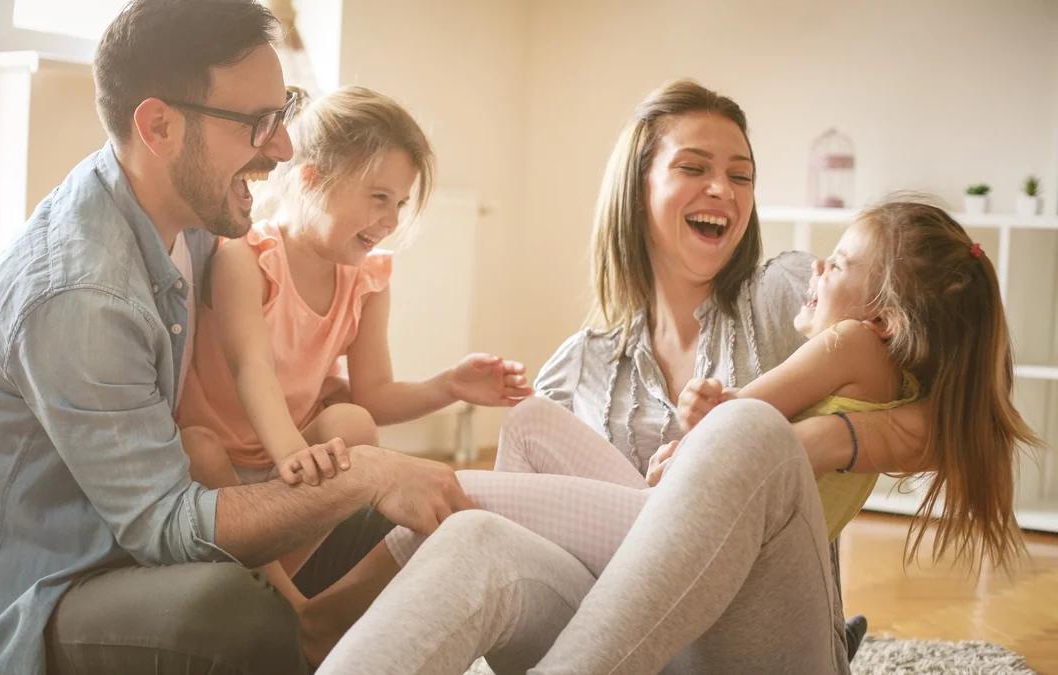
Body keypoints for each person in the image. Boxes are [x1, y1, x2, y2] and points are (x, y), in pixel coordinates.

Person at [313, 82, 1031, 674]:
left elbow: (954, 400)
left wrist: (824, 438)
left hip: (757, 636)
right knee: (482, 529)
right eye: (693, 166)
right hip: (631, 631)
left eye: (741, 174)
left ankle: (389, 490)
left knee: (746, 429)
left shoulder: (788, 297)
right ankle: (312, 634)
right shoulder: (579, 363)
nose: (722, 186)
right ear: (639, 185)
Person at [0, 2, 471, 673]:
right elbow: (165, 526)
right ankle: (297, 632)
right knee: (236, 614)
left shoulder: (192, 217)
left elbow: (257, 341)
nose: (282, 146)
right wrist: (363, 471)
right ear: (158, 125)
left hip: (133, 533)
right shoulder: (82, 295)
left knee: (396, 524)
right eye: (257, 123)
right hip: (55, 587)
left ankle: (307, 630)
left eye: (285, 111)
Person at [175, 83, 531, 612]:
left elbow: (375, 394)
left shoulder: (366, 279)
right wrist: (295, 456)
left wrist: (450, 385)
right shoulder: (246, 259)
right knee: (195, 445)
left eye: (400, 204)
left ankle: (285, 593)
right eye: (378, 198)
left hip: (287, 459)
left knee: (354, 424)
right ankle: (292, 608)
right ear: (314, 179)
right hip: (223, 464)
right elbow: (251, 367)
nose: (390, 221)